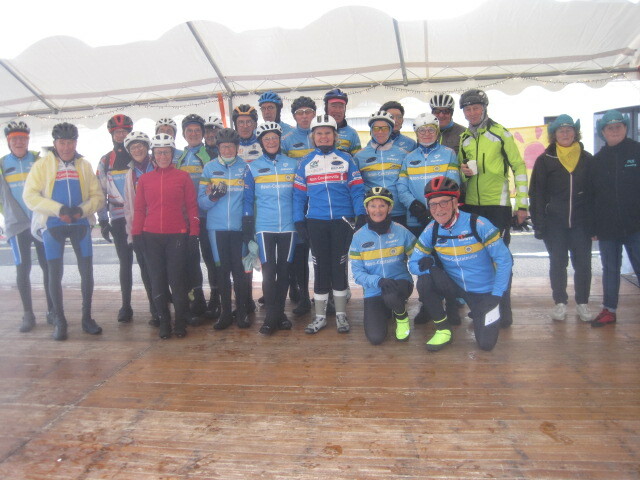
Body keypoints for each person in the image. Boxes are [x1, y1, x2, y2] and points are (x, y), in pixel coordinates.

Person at [409, 177, 513, 351]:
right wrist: (428, 265)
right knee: (425, 281)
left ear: (455, 202)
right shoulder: (431, 229)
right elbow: (413, 264)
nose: (438, 210)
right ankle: (443, 329)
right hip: (455, 287)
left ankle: (492, 309)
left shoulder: (478, 224)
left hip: (484, 291)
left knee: (486, 344)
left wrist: (496, 295)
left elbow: (504, 261)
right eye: (433, 204)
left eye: (443, 203)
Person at [23, 122, 104, 341]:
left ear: (76, 143)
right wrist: (58, 209)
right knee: (54, 273)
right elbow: (30, 196)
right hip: (53, 224)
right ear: (55, 143)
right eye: (62, 143)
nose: (66, 147)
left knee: (86, 272)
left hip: (79, 222)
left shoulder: (84, 165)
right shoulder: (42, 165)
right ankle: (59, 320)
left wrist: (81, 210)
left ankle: (87, 318)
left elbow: (98, 197)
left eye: (70, 142)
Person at [458, 88, 528, 327]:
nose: (472, 113)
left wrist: (522, 204)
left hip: (498, 206)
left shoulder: (500, 133)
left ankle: (503, 311)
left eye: (476, 108)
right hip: (472, 207)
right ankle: (482, 308)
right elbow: (460, 171)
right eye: (468, 109)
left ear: (484, 108)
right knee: (477, 260)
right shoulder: (464, 138)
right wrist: (463, 172)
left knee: (500, 260)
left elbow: (519, 167)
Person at [293, 114, 366, 334]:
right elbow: (298, 196)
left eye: (327, 133)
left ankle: (342, 315)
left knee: (339, 267)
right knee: (320, 268)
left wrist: (361, 214)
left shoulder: (346, 159)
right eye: (319, 133)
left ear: (334, 136)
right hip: (316, 221)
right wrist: (299, 220)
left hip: (342, 221)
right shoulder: (305, 162)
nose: (323, 137)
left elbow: (357, 190)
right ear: (313, 137)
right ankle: (320, 317)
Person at [131, 133, 199, 339]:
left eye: (167, 152)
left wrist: (194, 233)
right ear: (153, 154)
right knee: (157, 280)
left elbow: (192, 207)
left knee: (177, 280)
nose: (163, 156)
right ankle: (163, 321)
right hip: (151, 236)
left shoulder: (182, 177)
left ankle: (180, 322)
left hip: (177, 235)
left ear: (172, 154)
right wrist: (136, 234)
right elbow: (139, 209)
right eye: (159, 153)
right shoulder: (145, 179)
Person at [396, 113, 461, 324]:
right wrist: (413, 205)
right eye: (421, 130)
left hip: (442, 217)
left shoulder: (448, 154)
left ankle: (452, 305)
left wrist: (437, 209)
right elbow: (401, 186)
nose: (426, 133)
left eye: (430, 130)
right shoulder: (409, 158)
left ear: (437, 131)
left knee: (446, 261)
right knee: (423, 263)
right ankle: (427, 305)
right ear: (416, 133)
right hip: (416, 218)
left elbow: (453, 183)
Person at [529, 115, 594, 322]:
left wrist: (595, 225)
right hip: (554, 223)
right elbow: (536, 193)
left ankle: (582, 303)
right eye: (560, 130)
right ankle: (560, 303)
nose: (565, 133)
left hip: (581, 223)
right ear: (554, 135)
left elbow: (596, 194)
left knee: (583, 264)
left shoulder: (587, 159)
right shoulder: (544, 160)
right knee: (558, 263)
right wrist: (539, 223)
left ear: (575, 133)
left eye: (569, 129)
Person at [587, 110, 640, 327]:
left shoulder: (637, 151)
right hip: (607, 227)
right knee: (610, 269)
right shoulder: (597, 160)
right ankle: (609, 310)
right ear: (603, 132)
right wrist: (593, 227)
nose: (615, 130)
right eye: (610, 127)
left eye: (619, 126)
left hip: (636, 225)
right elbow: (592, 196)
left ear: (626, 128)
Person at [243, 122, 297, 334]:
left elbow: (300, 195)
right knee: (269, 271)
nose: (271, 141)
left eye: (274, 137)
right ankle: (271, 317)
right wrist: (248, 223)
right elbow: (248, 199)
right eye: (267, 139)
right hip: (264, 226)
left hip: (289, 226)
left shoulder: (293, 164)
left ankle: (279, 314)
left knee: (284, 271)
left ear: (280, 140)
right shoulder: (252, 167)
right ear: (261, 142)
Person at [0, 121, 53, 332]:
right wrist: (9, 214)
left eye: (22, 138)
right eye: (15, 139)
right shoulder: (2, 164)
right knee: (22, 269)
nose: (19, 142)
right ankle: (28, 314)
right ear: (8, 142)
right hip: (17, 225)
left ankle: (52, 310)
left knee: (48, 267)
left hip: (40, 223)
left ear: (28, 140)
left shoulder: (39, 160)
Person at [198, 128, 252, 330]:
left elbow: (250, 199)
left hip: (239, 228)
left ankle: (242, 312)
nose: (227, 150)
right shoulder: (209, 168)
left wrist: (249, 224)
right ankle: (225, 313)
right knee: (222, 271)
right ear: (218, 148)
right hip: (216, 229)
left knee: (240, 272)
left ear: (237, 148)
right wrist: (213, 197)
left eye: (231, 146)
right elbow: (201, 203)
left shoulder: (246, 168)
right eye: (223, 147)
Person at [350, 187, 415, 345]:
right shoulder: (358, 237)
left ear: (389, 208)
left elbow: (417, 257)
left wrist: (425, 264)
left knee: (391, 296)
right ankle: (389, 308)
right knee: (376, 338)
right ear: (366, 209)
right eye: (373, 206)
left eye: (382, 206)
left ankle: (402, 317)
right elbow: (357, 274)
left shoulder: (401, 231)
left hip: (399, 283)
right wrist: (378, 281)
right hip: (374, 288)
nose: (377, 210)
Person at [176, 114, 220, 321]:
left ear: (202, 134)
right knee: (190, 260)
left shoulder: (208, 154)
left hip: (207, 216)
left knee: (211, 259)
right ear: (183, 134)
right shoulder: (180, 157)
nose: (193, 134)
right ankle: (198, 298)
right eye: (189, 131)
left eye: (197, 131)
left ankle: (216, 300)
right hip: (186, 218)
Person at [96, 114, 136, 323]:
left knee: (149, 263)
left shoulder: (138, 155)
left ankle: (158, 303)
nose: (121, 136)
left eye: (125, 132)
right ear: (111, 134)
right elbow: (100, 191)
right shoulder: (105, 161)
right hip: (119, 218)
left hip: (140, 218)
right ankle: (126, 305)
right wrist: (103, 221)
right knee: (125, 263)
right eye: (118, 132)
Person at [281, 95, 318, 316]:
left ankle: (324, 295)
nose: (304, 116)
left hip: (320, 203)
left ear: (314, 114)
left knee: (321, 255)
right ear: (294, 116)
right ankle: (303, 296)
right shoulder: (286, 140)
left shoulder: (322, 134)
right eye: (300, 113)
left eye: (308, 112)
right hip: (298, 201)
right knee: (300, 254)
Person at [122, 131, 158, 325]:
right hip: (141, 228)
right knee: (146, 270)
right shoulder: (130, 174)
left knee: (163, 269)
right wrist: (131, 234)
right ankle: (155, 309)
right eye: (133, 147)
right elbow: (129, 206)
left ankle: (170, 305)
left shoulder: (157, 165)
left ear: (147, 147)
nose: (137, 150)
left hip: (160, 226)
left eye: (141, 146)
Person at [354, 111, 408, 224]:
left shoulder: (403, 154)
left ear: (390, 130)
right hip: (373, 212)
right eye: (376, 128)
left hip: (398, 211)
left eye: (384, 128)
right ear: (371, 130)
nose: (380, 132)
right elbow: (356, 187)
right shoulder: (360, 156)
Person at [323, 88, 361, 155]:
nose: (338, 110)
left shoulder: (352, 133)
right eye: (334, 106)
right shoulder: (316, 131)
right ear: (326, 108)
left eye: (341, 107)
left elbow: (357, 159)